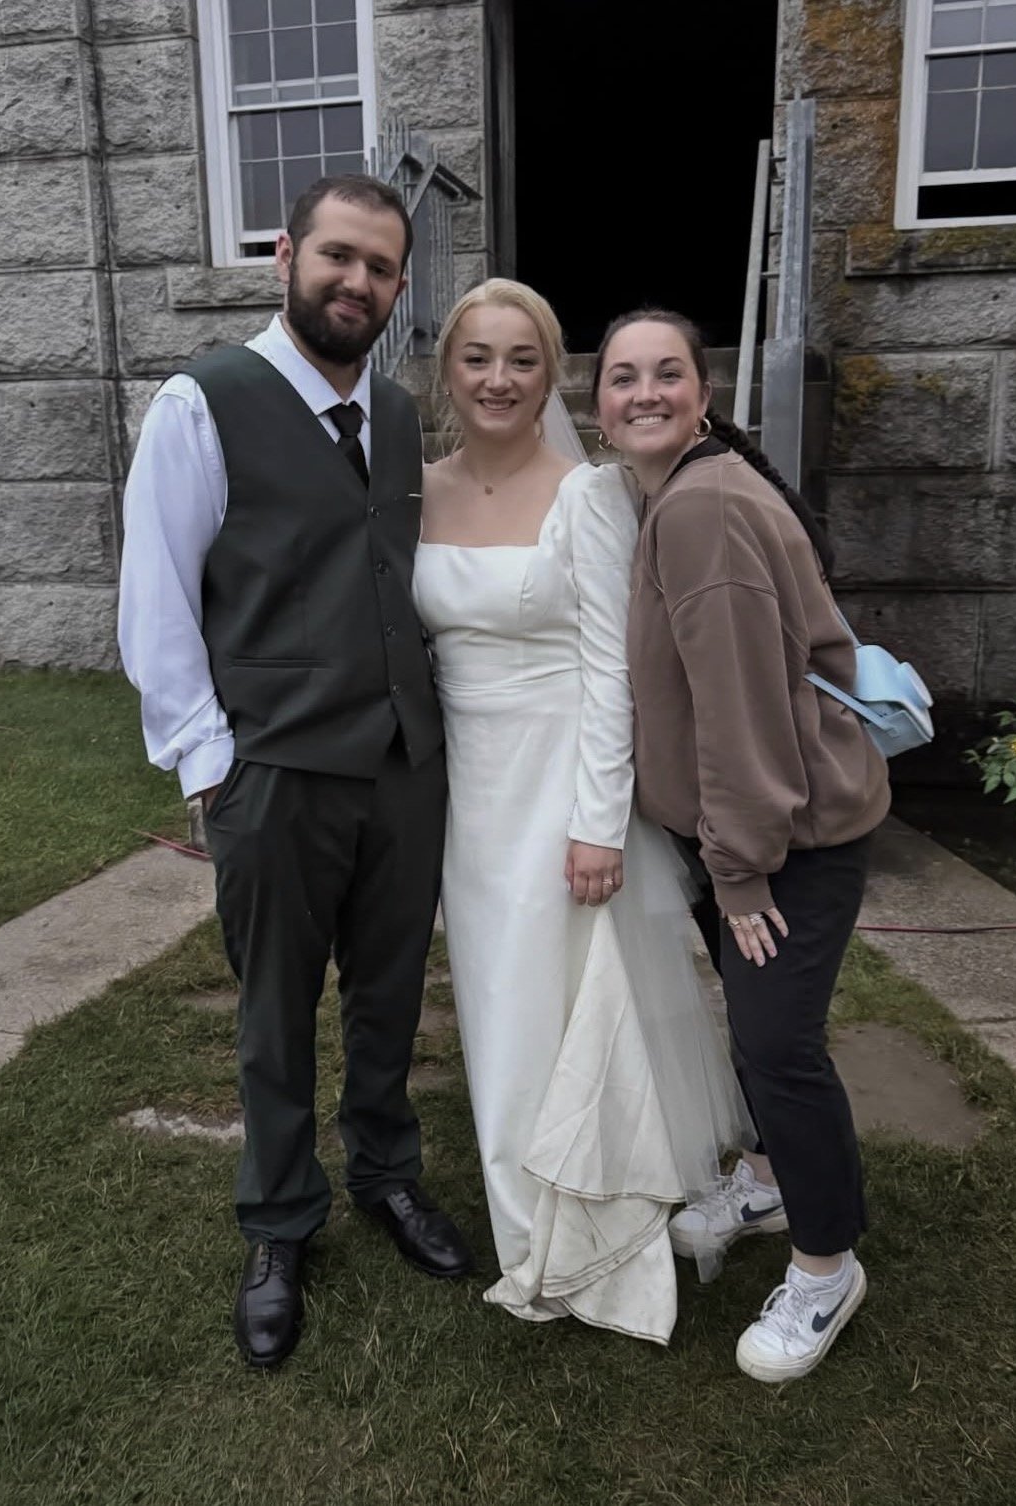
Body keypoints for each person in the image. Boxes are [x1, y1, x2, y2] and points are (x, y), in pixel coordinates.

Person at [117, 175, 473, 1373]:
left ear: (399, 285)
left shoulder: (402, 415)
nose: (356, 282)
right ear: (287, 256)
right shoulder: (203, 403)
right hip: (272, 770)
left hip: (401, 766)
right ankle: (278, 1222)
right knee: (275, 1012)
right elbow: (156, 601)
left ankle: (386, 1173)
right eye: (337, 256)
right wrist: (210, 765)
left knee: (390, 993)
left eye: (380, 267)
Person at [414, 280, 750, 1344]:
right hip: (468, 792)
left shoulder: (590, 497)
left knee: (565, 1003)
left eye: (523, 359)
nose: (499, 379)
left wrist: (600, 822)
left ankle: (587, 1229)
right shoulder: (414, 493)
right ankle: (525, 1214)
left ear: (550, 374)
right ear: (448, 371)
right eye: (478, 357)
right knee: (496, 1004)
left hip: (563, 783)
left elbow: (616, 672)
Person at [592, 308, 891, 1383]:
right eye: (623, 377)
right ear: (599, 405)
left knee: (777, 1047)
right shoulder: (684, 491)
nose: (645, 392)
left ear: (703, 394)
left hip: (785, 838)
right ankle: (767, 1179)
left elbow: (742, 709)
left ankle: (826, 1266)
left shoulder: (702, 510)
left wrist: (741, 870)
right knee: (761, 1032)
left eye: (667, 373)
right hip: (754, 831)